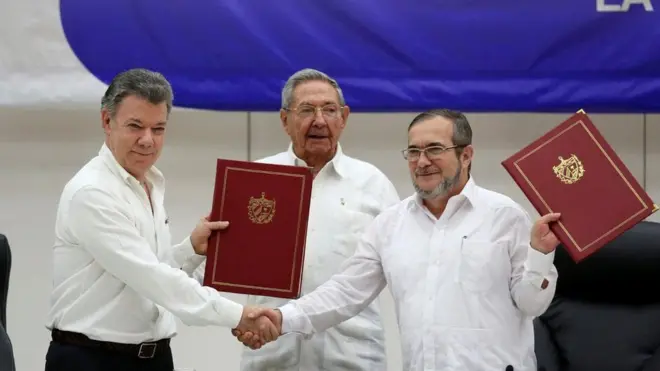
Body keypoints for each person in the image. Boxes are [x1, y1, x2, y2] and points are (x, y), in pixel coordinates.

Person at [236, 109, 562, 371]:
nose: (422, 161)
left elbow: (532, 303)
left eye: (435, 149)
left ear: (466, 156)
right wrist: (281, 318)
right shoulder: (390, 225)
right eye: (414, 151)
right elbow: (345, 292)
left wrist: (540, 255)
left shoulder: (505, 216)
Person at [44, 68, 276, 371]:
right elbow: (153, 279)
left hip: (153, 358)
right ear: (106, 121)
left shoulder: (149, 183)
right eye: (135, 126)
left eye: (158, 129)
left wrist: (192, 249)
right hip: (92, 360)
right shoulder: (93, 192)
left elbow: (150, 274)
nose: (147, 140)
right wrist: (238, 315)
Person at [193, 68, 400, 371]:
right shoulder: (254, 179)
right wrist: (235, 317)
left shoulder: (373, 185)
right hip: (270, 356)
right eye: (306, 110)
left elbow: (401, 270)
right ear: (284, 120)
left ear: (343, 117)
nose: (319, 120)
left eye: (329, 110)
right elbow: (208, 268)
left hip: (354, 359)